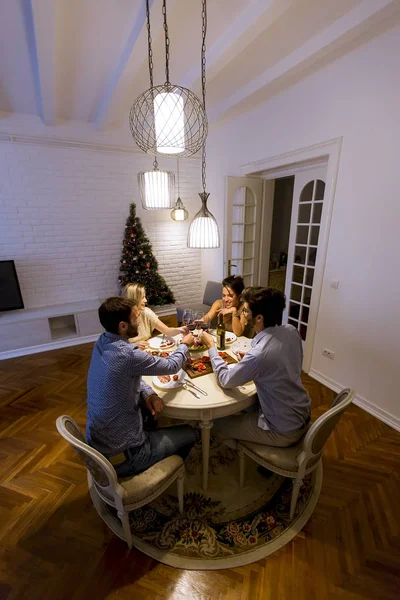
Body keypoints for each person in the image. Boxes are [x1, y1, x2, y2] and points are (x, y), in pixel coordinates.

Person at [86, 296, 197, 478]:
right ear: (123, 326)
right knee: (190, 433)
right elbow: (171, 366)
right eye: (136, 318)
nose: (139, 321)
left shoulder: (102, 342)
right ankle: (170, 476)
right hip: (126, 455)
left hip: (101, 446)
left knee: (150, 414)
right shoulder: (127, 355)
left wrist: (149, 394)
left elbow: (129, 376)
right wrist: (184, 345)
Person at [199, 287, 311, 448]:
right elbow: (282, 363)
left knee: (217, 425)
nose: (242, 314)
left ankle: (241, 449)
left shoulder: (259, 355)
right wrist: (253, 361)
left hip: (283, 429)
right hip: (302, 412)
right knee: (243, 408)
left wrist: (211, 346)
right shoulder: (291, 331)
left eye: (245, 311)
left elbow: (225, 380)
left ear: (259, 318)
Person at [123, 283, 187, 350]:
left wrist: (181, 329)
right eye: (142, 298)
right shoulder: (121, 318)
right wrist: (132, 346)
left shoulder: (146, 312)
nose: (146, 300)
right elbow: (114, 347)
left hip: (147, 351)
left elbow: (167, 331)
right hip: (130, 354)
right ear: (134, 299)